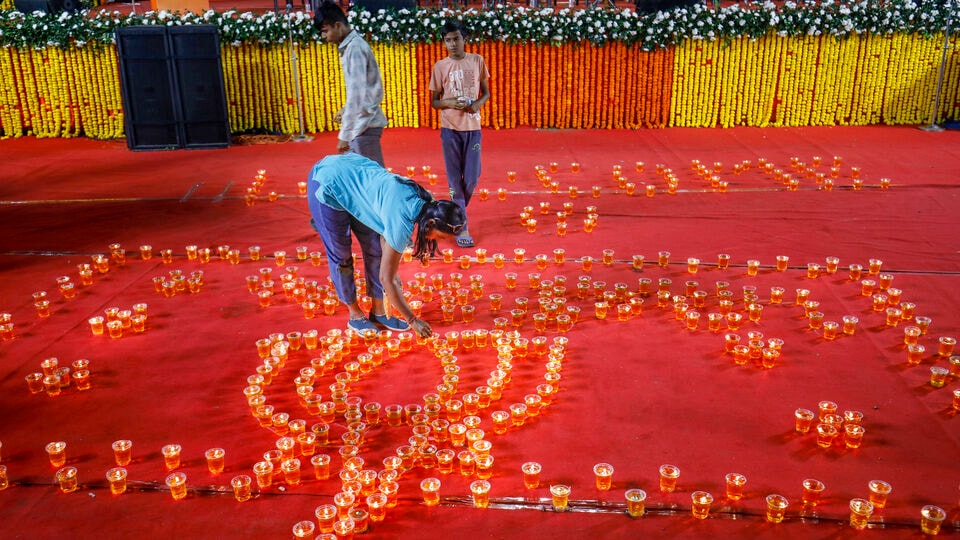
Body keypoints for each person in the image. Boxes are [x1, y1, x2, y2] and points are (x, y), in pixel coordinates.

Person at [307, 152, 465, 338]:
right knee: (341, 255)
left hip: (357, 185)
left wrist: (392, 271)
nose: (437, 241)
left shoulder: (429, 203)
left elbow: (384, 232)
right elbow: (386, 279)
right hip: (328, 182)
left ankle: (378, 313)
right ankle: (355, 314)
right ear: (430, 223)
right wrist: (413, 320)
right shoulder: (403, 223)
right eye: (441, 237)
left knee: (375, 250)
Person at [429, 20, 490, 248]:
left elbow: (486, 93)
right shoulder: (440, 67)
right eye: (448, 40)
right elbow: (435, 102)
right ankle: (462, 224)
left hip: (473, 128)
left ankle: (452, 211)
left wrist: (477, 105)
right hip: (450, 129)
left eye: (456, 39)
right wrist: (450, 102)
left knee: (472, 178)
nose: (452, 44)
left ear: (464, 39)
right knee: (455, 181)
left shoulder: (477, 61)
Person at [313, 1, 388, 166]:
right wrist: (346, 109)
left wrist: (344, 135)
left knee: (373, 178)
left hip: (363, 126)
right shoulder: (350, 46)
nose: (323, 37)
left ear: (338, 25)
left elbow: (357, 95)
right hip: (361, 124)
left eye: (325, 31)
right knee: (363, 177)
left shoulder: (354, 48)